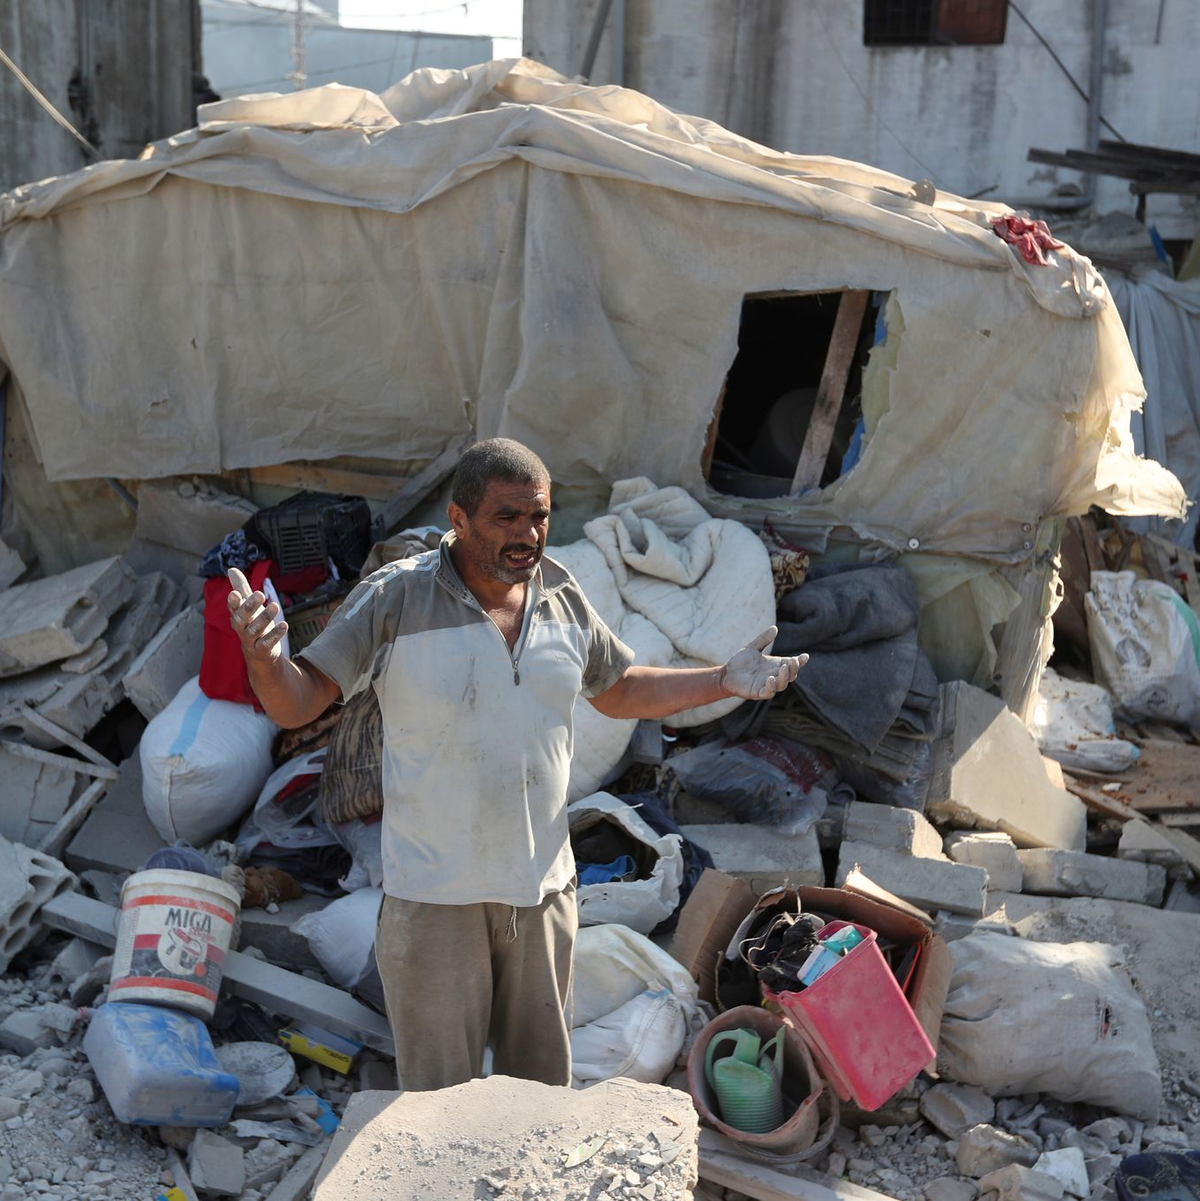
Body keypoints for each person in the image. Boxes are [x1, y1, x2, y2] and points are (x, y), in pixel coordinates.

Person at [227, 438, 806, 1091]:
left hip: (540, 894)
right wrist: (267, 658)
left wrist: (725, 677)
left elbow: (622, 690)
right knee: (441, 1095)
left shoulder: (561, 594)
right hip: (434, 898)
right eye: (507, 516)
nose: (528, 533)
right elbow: (299, 701)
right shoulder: (395, 600)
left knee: (536, 1092)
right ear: (459, 518)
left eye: (540, 516)